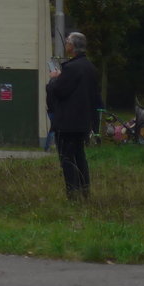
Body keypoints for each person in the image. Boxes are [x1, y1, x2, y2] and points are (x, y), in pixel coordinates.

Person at [46, 31, 101, 199]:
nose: (66, 45)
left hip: (67, 122)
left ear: (72, 46)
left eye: (68, 42)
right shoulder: (90, 67)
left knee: (67, 159)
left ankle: (72, 193)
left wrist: (54, 79)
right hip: (83, 122)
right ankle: (85, 190)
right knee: (80, 157)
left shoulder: (70, 68)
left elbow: (60, 91)